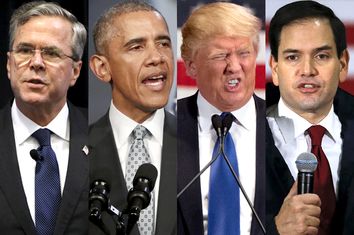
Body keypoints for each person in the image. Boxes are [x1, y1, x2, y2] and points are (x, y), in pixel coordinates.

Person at [0, 1, 88, 234]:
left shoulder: (103, 135)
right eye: (25, 50)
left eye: (51, 53)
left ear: (75, 72)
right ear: (10, 65)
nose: (36, 63)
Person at [88, 1, 176, 234]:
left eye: (163, 43)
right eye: (136, 47)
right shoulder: (74, 152)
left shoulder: (199, 143)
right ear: (102, 68)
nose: (157, 57)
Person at [177, 2, 265, 234]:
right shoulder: (167, 125)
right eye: (221, 56)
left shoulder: (280, 125)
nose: (234, 66)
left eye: (244, 53)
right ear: (191, 66)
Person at [266, 1, 354, 234]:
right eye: (293, 57)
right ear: (275, 68)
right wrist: (274, 230)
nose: (307, 70)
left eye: (322, 56)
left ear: (342, 64)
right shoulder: (233, 133)